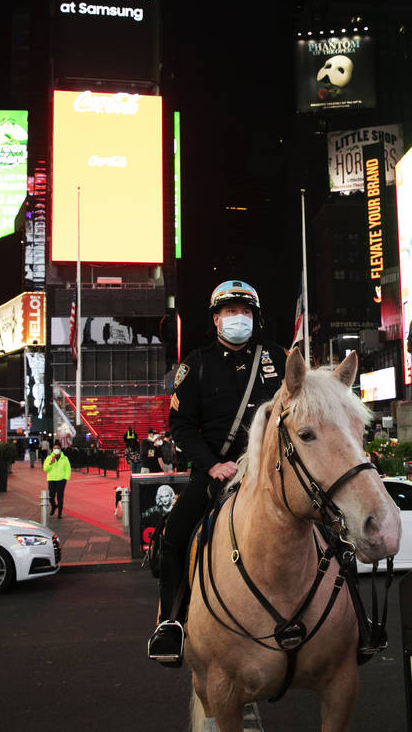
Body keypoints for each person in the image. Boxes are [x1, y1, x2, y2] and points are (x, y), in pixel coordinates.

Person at [148, 279, 288, 666]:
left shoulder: (278, 357)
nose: (238, 318)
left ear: (254, 318)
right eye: (230, 311)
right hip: (216, 474)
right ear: (216, 319)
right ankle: (170, 623)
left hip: (269, 471)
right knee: (174, 537)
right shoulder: (196, 364)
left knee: (328, 527)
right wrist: (212, 464)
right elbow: (181, 426)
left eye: (245, 311)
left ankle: (356, 624)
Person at [43, 442, 71, 518]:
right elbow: (45, 469)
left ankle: (60, 512)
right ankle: (54, 506)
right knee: (51, 496)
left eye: (58, 448)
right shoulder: (49, 458)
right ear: (52, 449)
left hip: (61, 480)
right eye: (55, 448)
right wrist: (51, 463)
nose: (56, 450)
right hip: (51, 479)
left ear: (60, 449)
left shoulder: (64, 458)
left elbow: (68, 469)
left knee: (60, 497)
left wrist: (65, 478)